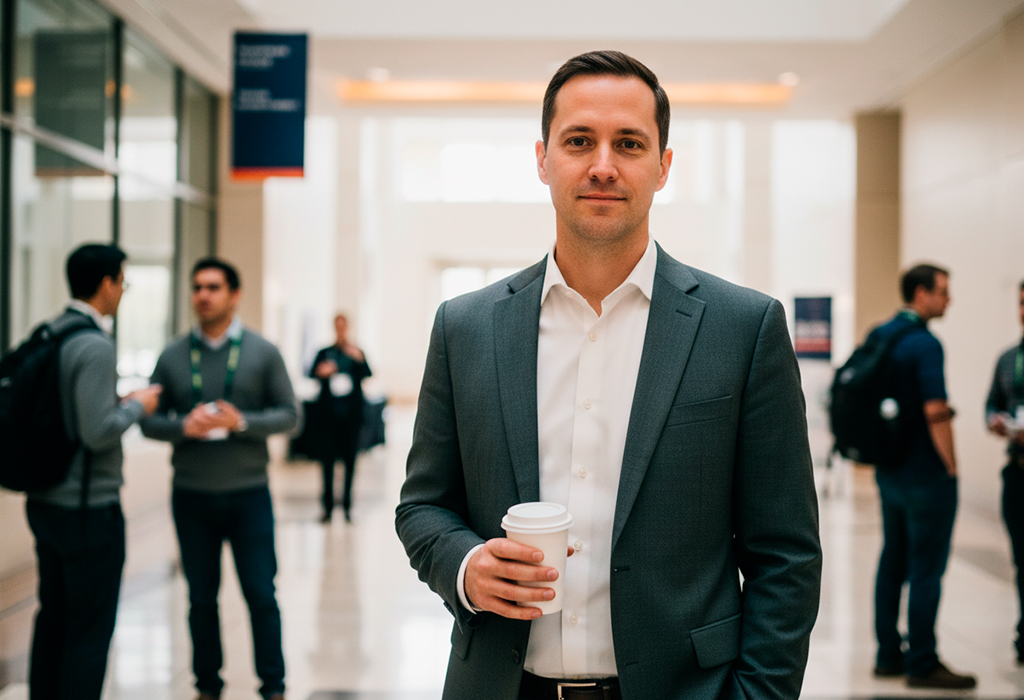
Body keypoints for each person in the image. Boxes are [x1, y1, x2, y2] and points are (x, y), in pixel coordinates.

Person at [395, 50, 822, 700]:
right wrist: (466, 566)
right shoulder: (466, 328)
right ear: (542, 160)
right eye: (578, 141)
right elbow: (423, 505)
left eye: (629, 143)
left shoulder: (743, 328)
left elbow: (786, 553)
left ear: (663, 165)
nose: (602, 165)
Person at [140, 258, 297, 700]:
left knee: (261, 594)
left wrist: (241, 421)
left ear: (234, 295)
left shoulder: (262, 352)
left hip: (249, 495)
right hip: (192, 495)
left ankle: (273, 687)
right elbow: (148, 422)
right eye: (197, 288)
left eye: (213, 287)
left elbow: (291, 416)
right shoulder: (173, 355)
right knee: (200, 598)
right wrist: (182, 426)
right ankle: (207, 687)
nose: (203, 296)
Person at [26, 243, 161, 700]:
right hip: (87, 509)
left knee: (54, 619)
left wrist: (115, 404)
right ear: (106, 283)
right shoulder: (95, 343)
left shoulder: (50, 332)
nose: (122, 291)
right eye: (122, 281)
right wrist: (138, 407)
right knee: (89, 630)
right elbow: (98, 432)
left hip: (45, 500)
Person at [869, 264, 975, 689]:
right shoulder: (926, 344)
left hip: (889, 470)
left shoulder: (882, 334)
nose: (949, 299)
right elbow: (935, 411)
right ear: (920, 293)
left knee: (892, 560)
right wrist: (951, 465)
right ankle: (923, 661)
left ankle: (887, 655)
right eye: (942, 291)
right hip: (925, 475)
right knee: (926, 568)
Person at [986, 279, 1024, 663]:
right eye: (1022, 303)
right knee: (1022, 560)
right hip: (1017, 472)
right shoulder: (1009, 358)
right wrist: (996, 421)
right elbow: (992, 404)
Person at [309, 313, 371, 522]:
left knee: (350, 462)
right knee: (327, 462)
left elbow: (368, 373)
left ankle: (347, 506)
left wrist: (359, 359)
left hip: (351, 418)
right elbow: (311, 373)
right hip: (329, 418)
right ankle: (327, 507)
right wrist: (322, 372)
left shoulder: (355, 352)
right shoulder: (325, 352)